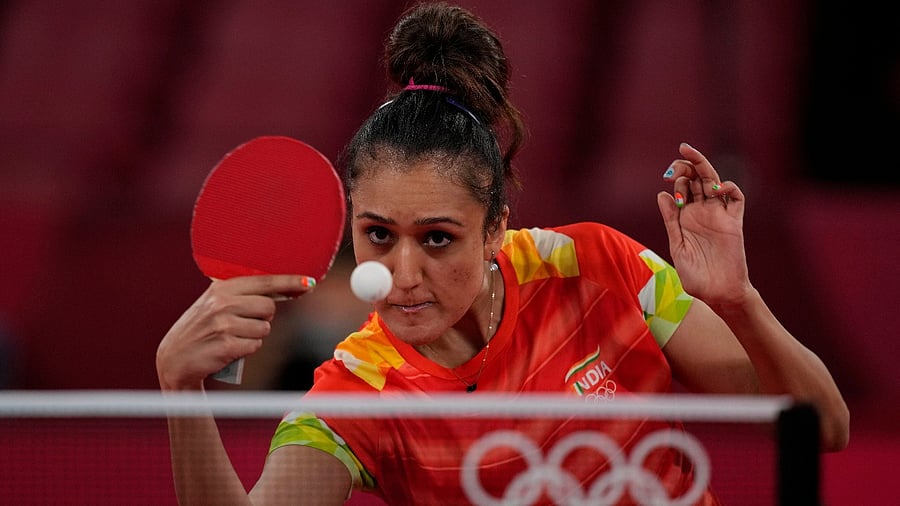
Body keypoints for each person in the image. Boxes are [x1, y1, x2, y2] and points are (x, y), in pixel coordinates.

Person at [156, 2, 849, 504]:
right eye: (378, 235)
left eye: (437, 238)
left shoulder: (594, 264)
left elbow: (825, 429)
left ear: (495, 230)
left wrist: (737, 303)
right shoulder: (362, 389)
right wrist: (181, 390)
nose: (401, 275)